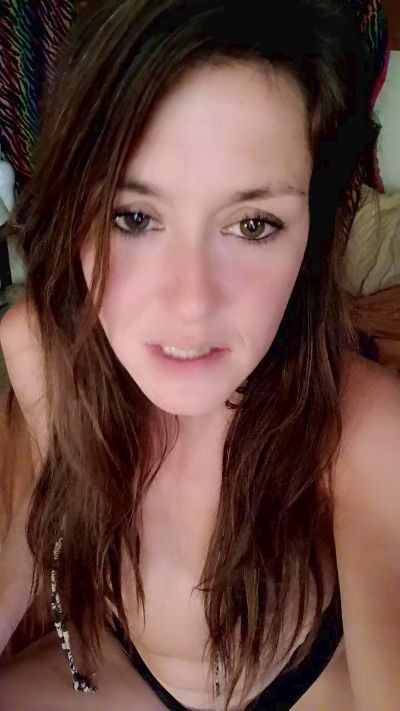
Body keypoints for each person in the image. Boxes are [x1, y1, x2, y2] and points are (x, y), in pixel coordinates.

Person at [0, 0, 400, 709]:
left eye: (253, 224)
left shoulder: (366, 427)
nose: (192, 303)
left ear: (311, 230)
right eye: (134, 216)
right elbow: (23, 534)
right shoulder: (38, 346)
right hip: (119, 674)